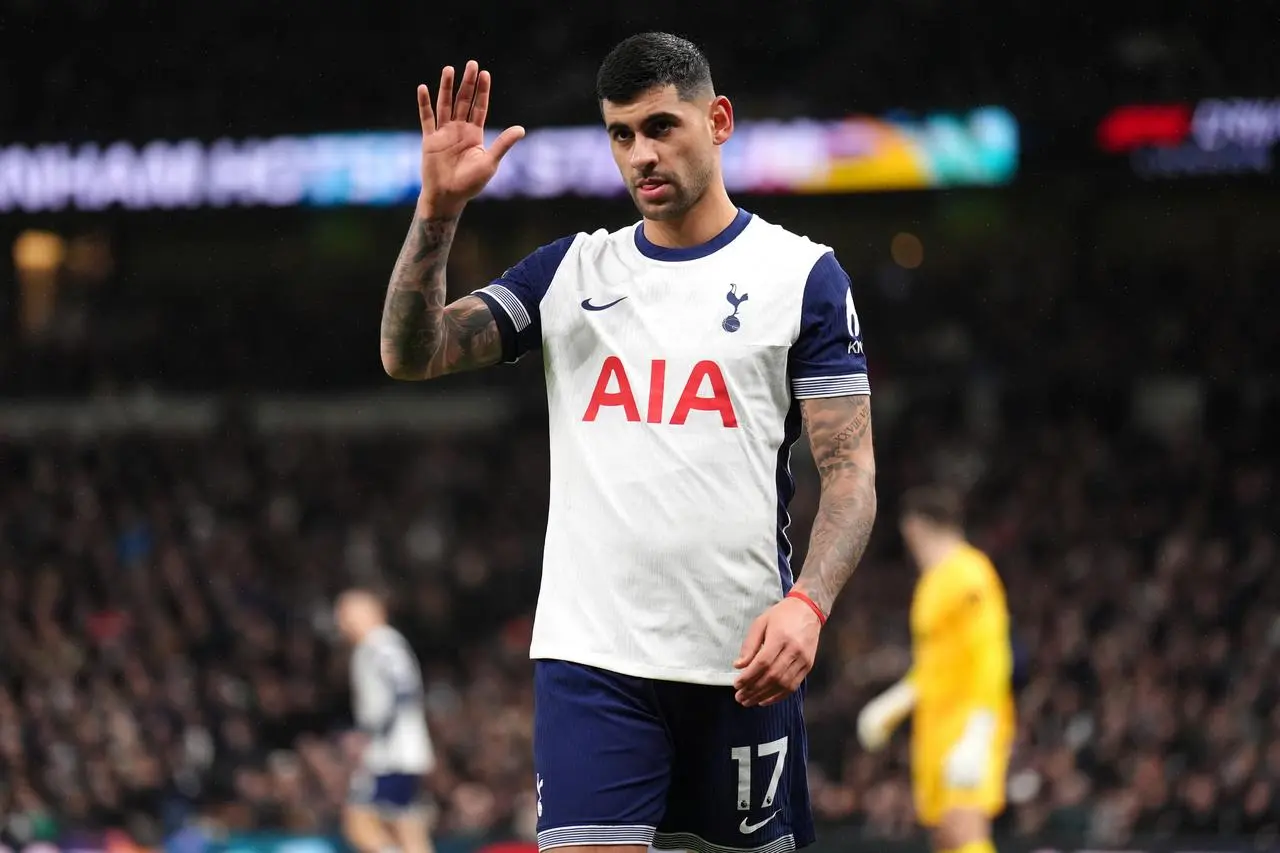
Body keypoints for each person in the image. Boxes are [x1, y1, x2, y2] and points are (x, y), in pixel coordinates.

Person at [378, 33, 878, 853]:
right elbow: (412, 351)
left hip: (740, 661)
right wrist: (437, 214)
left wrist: (809, 603)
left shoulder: (803, 276)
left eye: (660, 127)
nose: (640, 154)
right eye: (620, 134)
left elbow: (850, 471)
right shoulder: (569, 273)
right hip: (592, 663)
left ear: (717, 121)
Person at [855, 486, 1014, 853]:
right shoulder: (933, 583)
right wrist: (894, 704)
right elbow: (933, 666)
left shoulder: (969, 574)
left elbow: (992, 656)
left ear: (914, 528)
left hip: (966, 723)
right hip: (935, 726)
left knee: (966, 831)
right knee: (945, 838)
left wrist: (978, 732)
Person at [335, 589, 436, 853]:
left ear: (372, 612)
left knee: (358, 822)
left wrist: (371, 734)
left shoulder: (380, 643)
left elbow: (402, 688)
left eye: (347, 614)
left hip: (389, 755)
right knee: (406, 825)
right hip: (403, 752)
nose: (342, 623)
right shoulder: (384, 644)